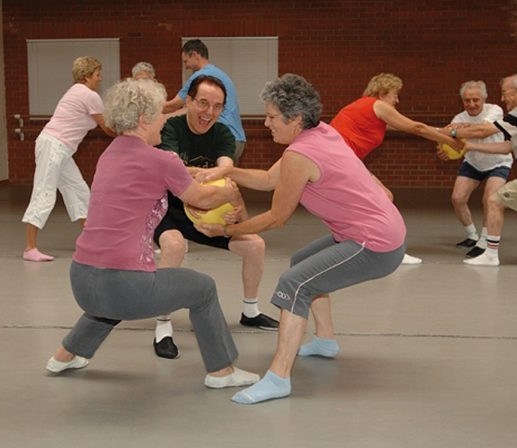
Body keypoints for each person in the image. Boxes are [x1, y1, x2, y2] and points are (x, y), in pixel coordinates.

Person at [195, 74, 407, 404]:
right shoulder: (320, 134)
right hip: (374, 232)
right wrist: (226, 171)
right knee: (301, 264)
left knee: (295, 283)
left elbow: (277, 217)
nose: (265, 123)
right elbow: (267, 179)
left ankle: (278, 377)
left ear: (295, 119)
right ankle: (324, 340)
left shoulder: (300, 155)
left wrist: (226, 231)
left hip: (375, 244)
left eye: (271, 117)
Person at [45, 77, 259, 391]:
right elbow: (200, 199)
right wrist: (229, 192)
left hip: (81, 281)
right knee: (202, 288)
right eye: (161, 113)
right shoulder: (161, 160)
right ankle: (221, 371)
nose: (165, 119)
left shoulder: (109, 154)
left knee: (112, 296)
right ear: (144, 118)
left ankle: (64, 356)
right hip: (122, 288)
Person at [152, 75, 277, 360]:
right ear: (190, 101)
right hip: (168, 209)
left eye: (217, 106)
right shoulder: (170, 127)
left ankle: (250, 311)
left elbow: (227, 169)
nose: (209, 112)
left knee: (255, 245)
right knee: (173, 246)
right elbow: (175, 170)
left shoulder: (222, 133)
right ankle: (162, 325)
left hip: (206, 209)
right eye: (203, 103)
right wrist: (215, 178)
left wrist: (231, 207)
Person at [331, 73, 465, 265]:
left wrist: (444, 130)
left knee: (380, 199)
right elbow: (416, 128)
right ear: (383, 92)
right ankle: (389, 250)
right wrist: (450, 141)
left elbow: (410, 126)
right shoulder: (377, 105)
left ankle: (367, 245)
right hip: (341, 162)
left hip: (342, 161)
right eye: (395, 94)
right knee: (382, 198)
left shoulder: (366, 108)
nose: (397, 99)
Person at [441, 74, 517, 267]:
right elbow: (507, 147)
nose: (502, 99)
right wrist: (470, 147)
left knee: (494, 201)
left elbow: (482, 131)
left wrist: (446, 132)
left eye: (505, 93)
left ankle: (490, 254)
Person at [21, 56, 109, 262]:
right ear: (86, 76)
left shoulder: (76, 91)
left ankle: (91, 241)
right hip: (53, 145)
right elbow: (107, 127)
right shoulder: (89, 95)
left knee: (78, 189)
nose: (100, 78)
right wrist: (130, 135)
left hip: (61, 149)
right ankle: (29, 248)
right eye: (97, 74)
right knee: (44, 192)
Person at [441, 81, 512, 259]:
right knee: (458, 198)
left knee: (490, 199)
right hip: (473, 162)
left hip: (498, 161)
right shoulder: (458, 118)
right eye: (467, 100)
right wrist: (444, 151)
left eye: (475, 100)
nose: (471, 104)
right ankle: (472, 235)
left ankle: (483, 242)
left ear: (484, 99)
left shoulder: (495, 110)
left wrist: (459, 132)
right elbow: (449, 140)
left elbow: (483, 131)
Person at [163, 39, 247, 163]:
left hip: (220, 138)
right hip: (238, 138)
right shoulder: (220, 73)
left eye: (185, 61)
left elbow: (172, 106)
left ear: (195, 55)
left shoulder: (199, 78)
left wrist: (150, 113)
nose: (185, 66)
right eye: (203, 103)